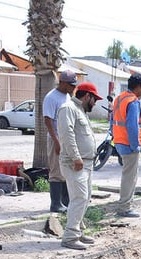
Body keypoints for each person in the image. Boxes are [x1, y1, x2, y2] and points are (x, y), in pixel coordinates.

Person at [56, 81, 100, 250]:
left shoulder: (80, 110)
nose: (95, 104)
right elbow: (67, 135)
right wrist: (76, 157)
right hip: (75, 163)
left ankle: (78, 231)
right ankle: (70, 237)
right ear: (87, 96)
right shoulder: (68, 109)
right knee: (79, 197)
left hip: (84, 163)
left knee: (85, 197)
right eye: (94, 99)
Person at [43, 69, 78, 213]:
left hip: (66, 139)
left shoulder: (68, 97)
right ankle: (55, 203)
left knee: (66, 171)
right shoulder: (52, 97)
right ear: (62, 82)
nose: (72, 88)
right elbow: (48, 120)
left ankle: (65, 201)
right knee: (56, 171)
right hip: (55, 139)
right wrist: (56, 141)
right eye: (70, 85)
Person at [112, 74, 141, 219]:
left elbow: (112, 121)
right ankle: (125, 207)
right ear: (138, 87)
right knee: (129, 177)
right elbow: (132, 126)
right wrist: (135, 145)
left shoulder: (120, 98)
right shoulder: (133, 102)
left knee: (127, 174)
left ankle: (125, 204)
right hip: (128, 143)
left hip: (119, 141)